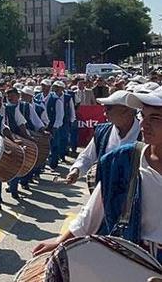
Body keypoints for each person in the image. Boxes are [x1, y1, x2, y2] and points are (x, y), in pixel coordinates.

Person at [33, 88, 162, 265]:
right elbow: (93, 210)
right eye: (143, 116)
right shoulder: (122, 159)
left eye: (154, 119)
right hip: (136, 262)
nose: (143, 125)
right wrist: (60, 241)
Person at [66, 90, 141, 185]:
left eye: (109, 108)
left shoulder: (145, 133)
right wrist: (76, 170)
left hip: (135, 194)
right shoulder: (103, 131)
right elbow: (88, 156)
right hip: (107, 192)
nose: (104, 112)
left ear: (126, 111)